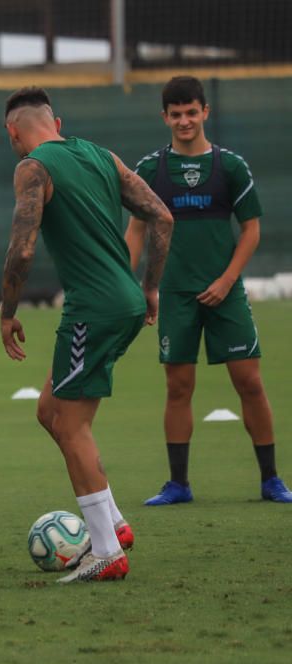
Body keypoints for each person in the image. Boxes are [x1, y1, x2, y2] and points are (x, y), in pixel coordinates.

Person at [0, 87, 174, 582]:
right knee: (49, 411)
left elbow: (23, 250)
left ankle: (104, 552)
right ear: (58, 120)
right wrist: (151, 289)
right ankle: (114, 524)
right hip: (124, 301)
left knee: (72, 425)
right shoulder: (101, 155)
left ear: (12, 131)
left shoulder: (32, 167)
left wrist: (7, 311)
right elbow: (161, 214)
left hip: (91, 308)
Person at [125, 76, 292, 505]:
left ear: (205, 113)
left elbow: (252, 230)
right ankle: (178, 484)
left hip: (226, 292)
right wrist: (132, 286)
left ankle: (271, 480)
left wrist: (226, 280)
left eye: (191, 112)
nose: (184, 120)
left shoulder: (231, 166)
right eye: (176, 114)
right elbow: (137, 231)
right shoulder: (150, 170)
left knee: (249, 382)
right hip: (175, 295)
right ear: (165, 117)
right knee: (178, 387)